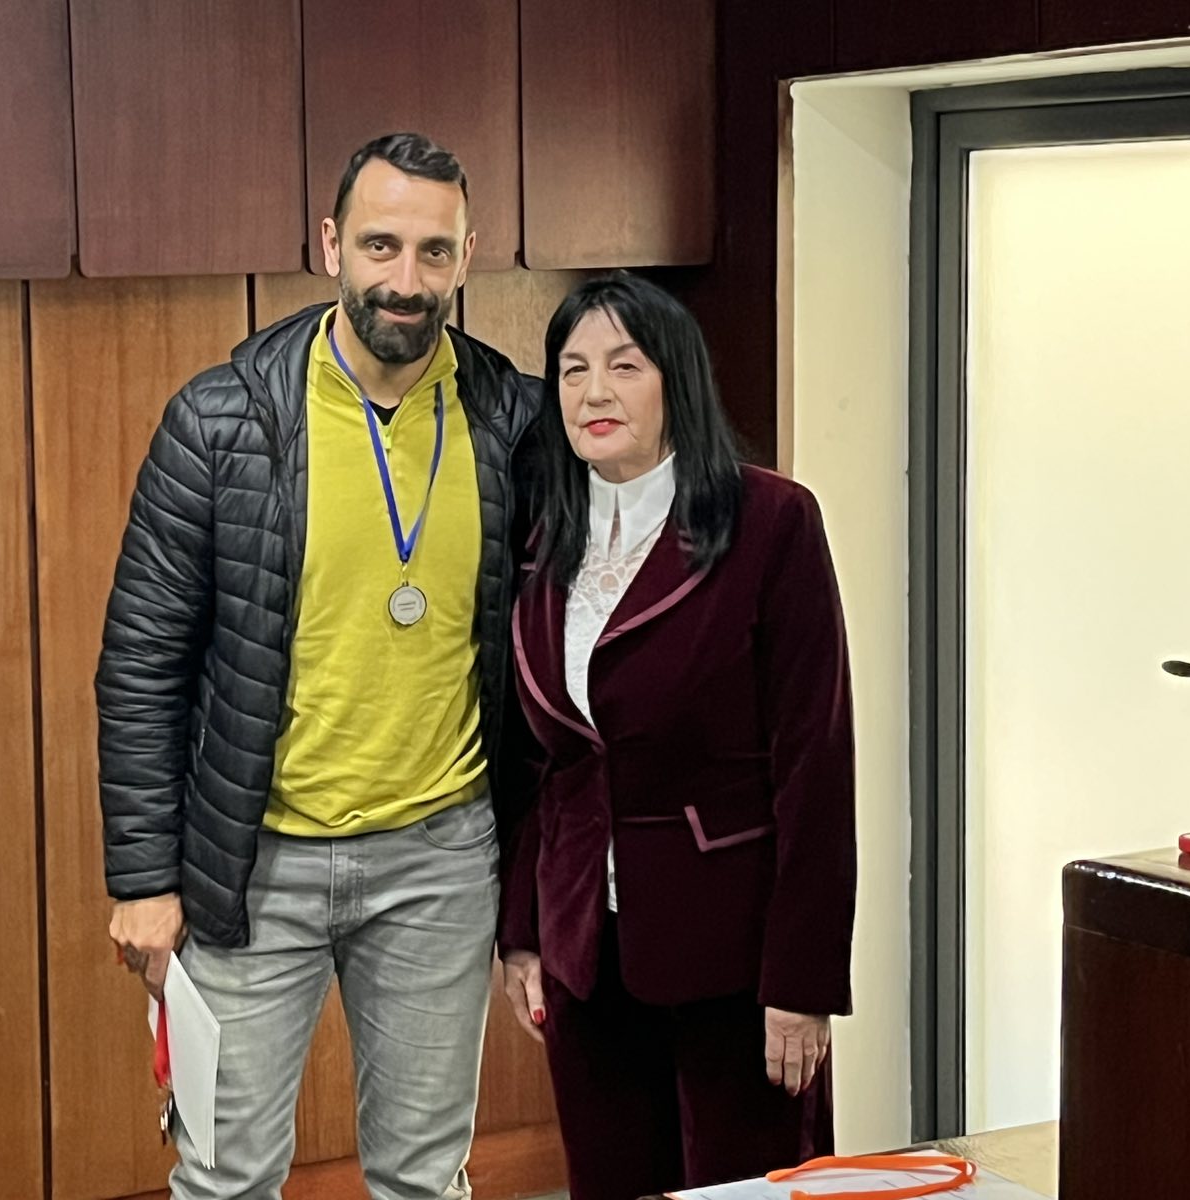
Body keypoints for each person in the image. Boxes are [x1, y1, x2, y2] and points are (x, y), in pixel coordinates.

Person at [95, 133, 539, 1200]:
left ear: (468, 255)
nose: (406, 280)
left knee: (425, 1180)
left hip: (440, 863)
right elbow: (142, 660)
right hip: (253, 867)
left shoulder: (514, 420)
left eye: (434, 252)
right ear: (332, 244)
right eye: (381, 245)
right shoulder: (221, 421)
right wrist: (144, 881)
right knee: (225, 1178)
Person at [498, 274, 857, 1199]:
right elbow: (543, 762)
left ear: (677, 381)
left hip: (733, 956)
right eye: (573, 370)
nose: (595, 392)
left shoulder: (771, 520)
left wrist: (803, 979)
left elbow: (815, 761)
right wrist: (523, 932)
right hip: (586, 953)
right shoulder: (542, 537)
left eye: (625, 366)